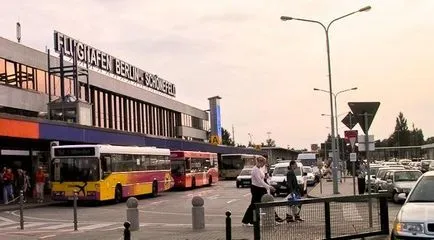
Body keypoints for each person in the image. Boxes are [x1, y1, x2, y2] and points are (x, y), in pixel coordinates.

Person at [241, 156, 277, 226]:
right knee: (254, 205)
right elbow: (259, 181)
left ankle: (274, 218)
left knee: (266, 202)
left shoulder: (259, 169)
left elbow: (263, 179)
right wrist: (269, 187)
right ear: (260, 162)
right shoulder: (255, 170)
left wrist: (267, 183)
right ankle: (247, 221)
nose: (264, 164)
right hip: (256, 188)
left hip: (261, 188)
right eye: (263, 163)